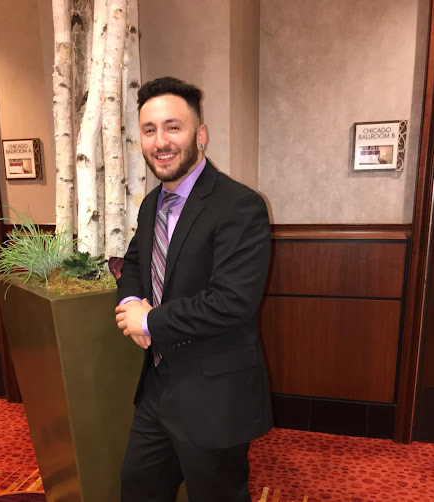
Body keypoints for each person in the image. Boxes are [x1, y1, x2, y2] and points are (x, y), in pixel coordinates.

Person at [115, 76, 273, 502]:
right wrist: (129, 301)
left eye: (173, 127)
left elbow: (232, 302)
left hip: (213, 396)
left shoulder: (239, 205)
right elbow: (135, 262)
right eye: (149, 130)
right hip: (157, 387)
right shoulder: (152, 203)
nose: (160, 141)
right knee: (138, 488)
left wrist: (150, 321)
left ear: (200, 135)